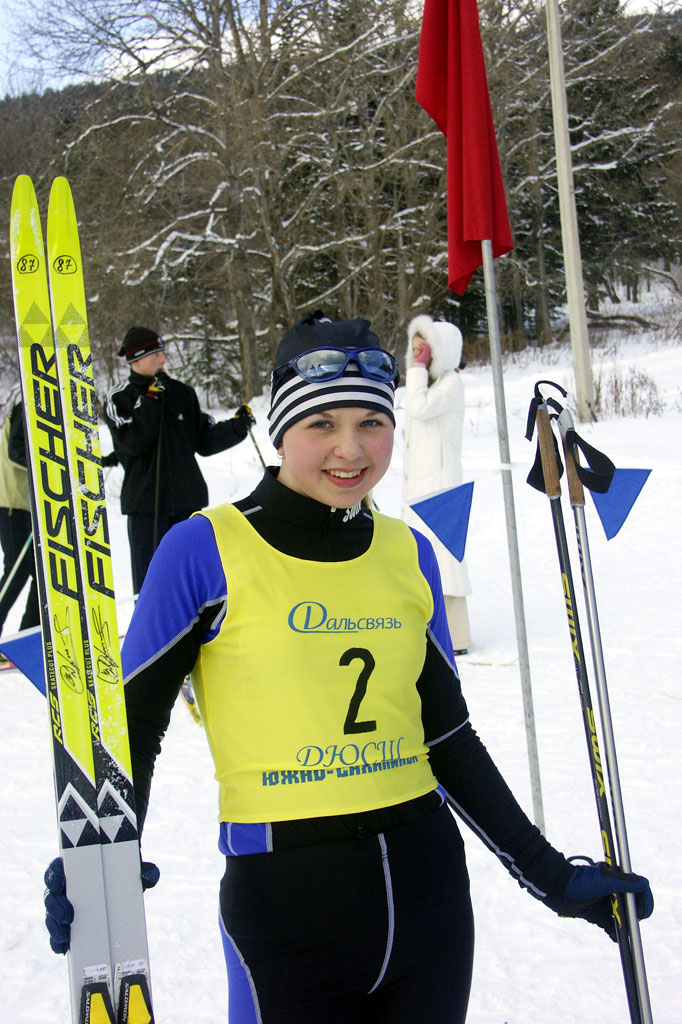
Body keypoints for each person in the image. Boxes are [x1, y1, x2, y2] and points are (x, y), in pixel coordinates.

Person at [45, 312, 652, 1023]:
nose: (350, 449)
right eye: (321, 424)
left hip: (429, 902)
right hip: (287, 913)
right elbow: (135, 720)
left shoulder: (408, 553)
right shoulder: (203, 549)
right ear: (279, 430)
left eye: (371, 422)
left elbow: (447, 736)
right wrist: (101, 857)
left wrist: (549, 875)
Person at [104, 326, 255, 593]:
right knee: (152, 586)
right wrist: (151, 399)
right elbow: (134, 443)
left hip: (188, 503)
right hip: (146, 509)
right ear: (135, 359)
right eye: (155, 354)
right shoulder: (119, 398)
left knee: (194, 581)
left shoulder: (181, 392)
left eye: (162, 353)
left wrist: (236, 427)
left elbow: (203, 440)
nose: (163, 360)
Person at [403, 314, 472, 654]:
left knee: (446, 557)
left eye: (424, 351)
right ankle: (429, 626)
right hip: (422, 484)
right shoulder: (431, 384)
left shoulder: (450, 383)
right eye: (414, 350)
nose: (418, 356)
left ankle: (456, 636)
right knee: (423, 555)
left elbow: (417, 408)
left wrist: (416, 370)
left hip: (441, 485)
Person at [0, 402, 39, 639]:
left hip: (21, 503)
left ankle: (27, 635)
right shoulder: (28, 404)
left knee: (39, 572)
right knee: (17, 569)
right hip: (11, 502)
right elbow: (15, 451)